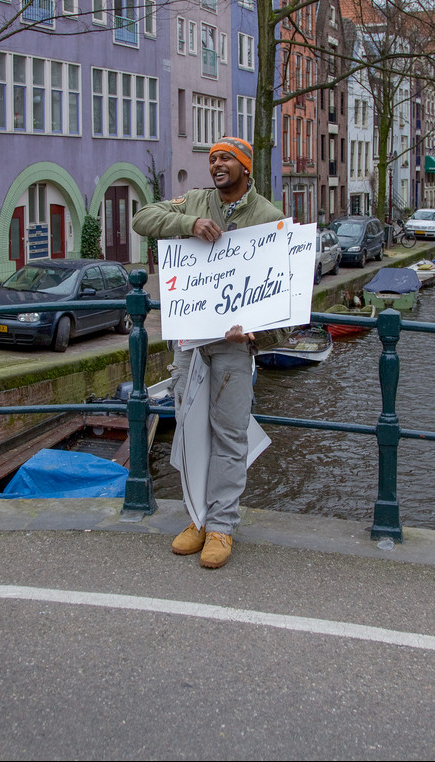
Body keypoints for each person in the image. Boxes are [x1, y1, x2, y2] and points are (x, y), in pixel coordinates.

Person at [133, 136, 286, 569]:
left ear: (245, 167)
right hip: (191, 342)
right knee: (188, 429)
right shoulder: (196, 201)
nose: (217, 164)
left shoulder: (268, 218)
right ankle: (196, 518)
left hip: (234, 348)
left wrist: (256, 332)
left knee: (230, 434)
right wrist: (190, 225)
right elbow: (143, 218)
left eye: (226, 159)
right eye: (213, 158)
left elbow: (283, 293)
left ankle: (221, 524)